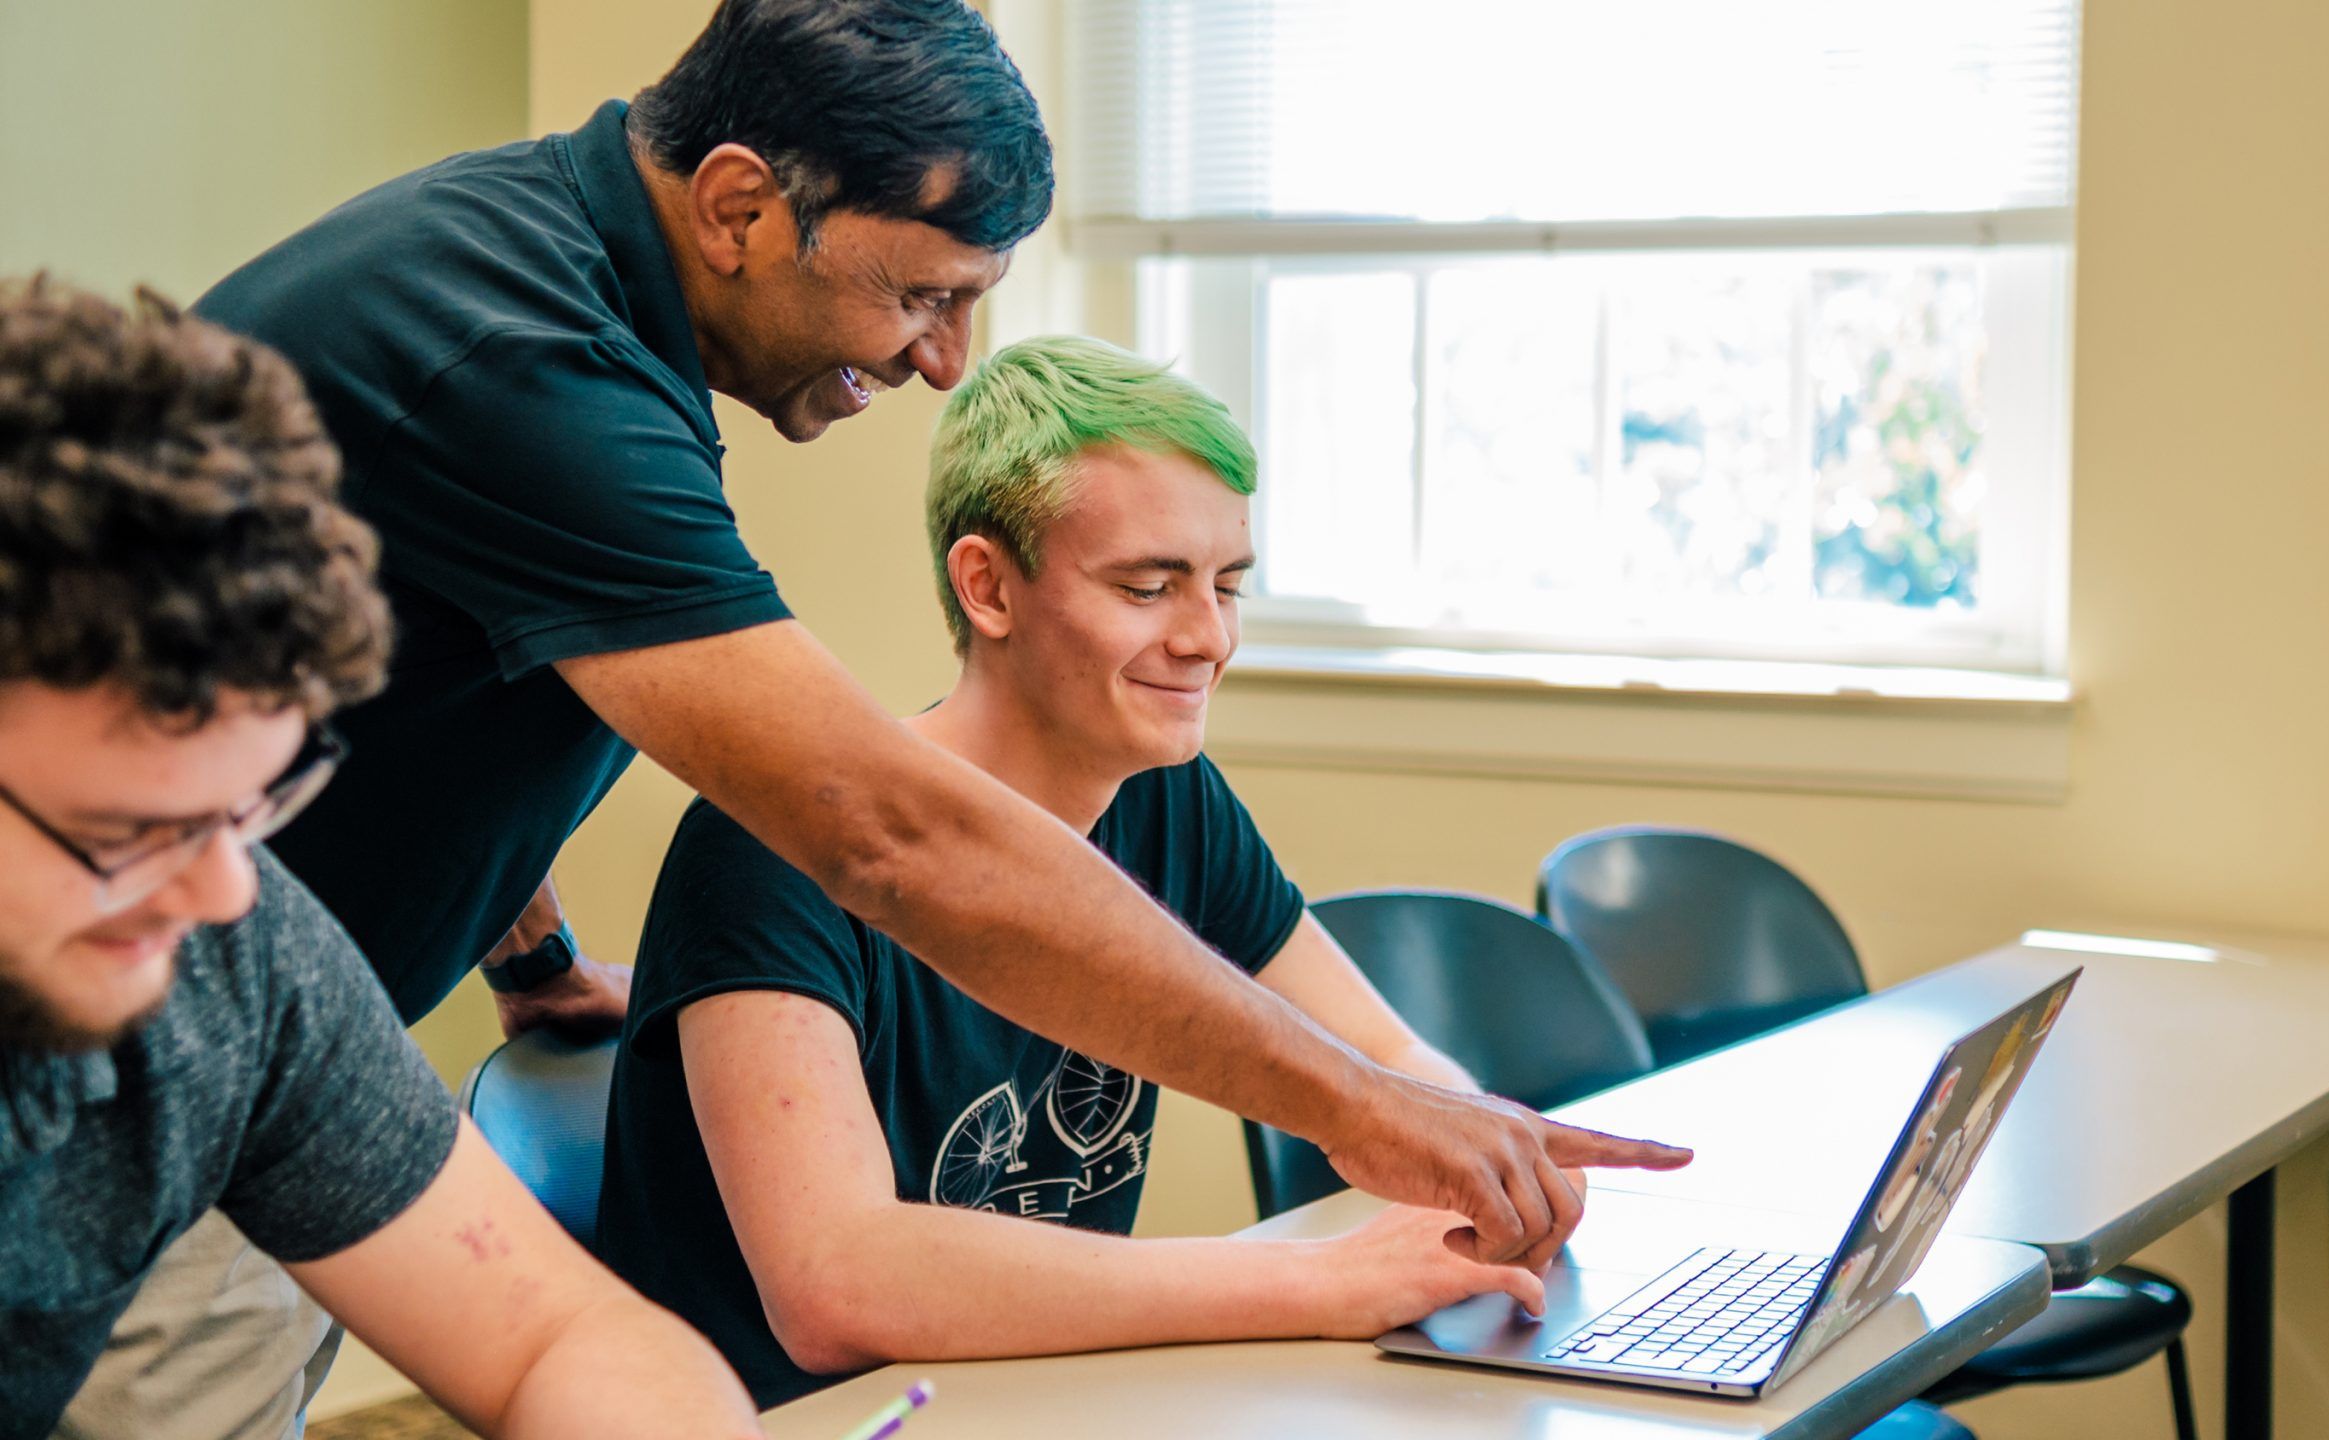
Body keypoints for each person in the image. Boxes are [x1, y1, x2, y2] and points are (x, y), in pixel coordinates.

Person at [194, 0, 1683, 1273]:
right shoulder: (530, 361)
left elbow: (443, 664)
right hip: (145, 1048)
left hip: (261, 1032)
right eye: (921, 293)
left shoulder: (565, 305)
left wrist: (528, 956)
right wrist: (1358, 1109)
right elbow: (884, 836)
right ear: (736, 208)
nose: (942, 361)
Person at [595, 337, 1558, 1405]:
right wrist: (1309, 1279)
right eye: (1149, 587)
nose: (1208, 639)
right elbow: (837, 1283)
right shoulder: (768, 844)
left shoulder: (1162, 796)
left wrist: (1497, 1171)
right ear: (987, 587)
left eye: (1226, 584)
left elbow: (1380, 1054)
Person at [0, 279, 763, 1439]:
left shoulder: (235, 955)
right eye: (130, 834)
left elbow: (562, 1337)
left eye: (255, 805)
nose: (226, 895)